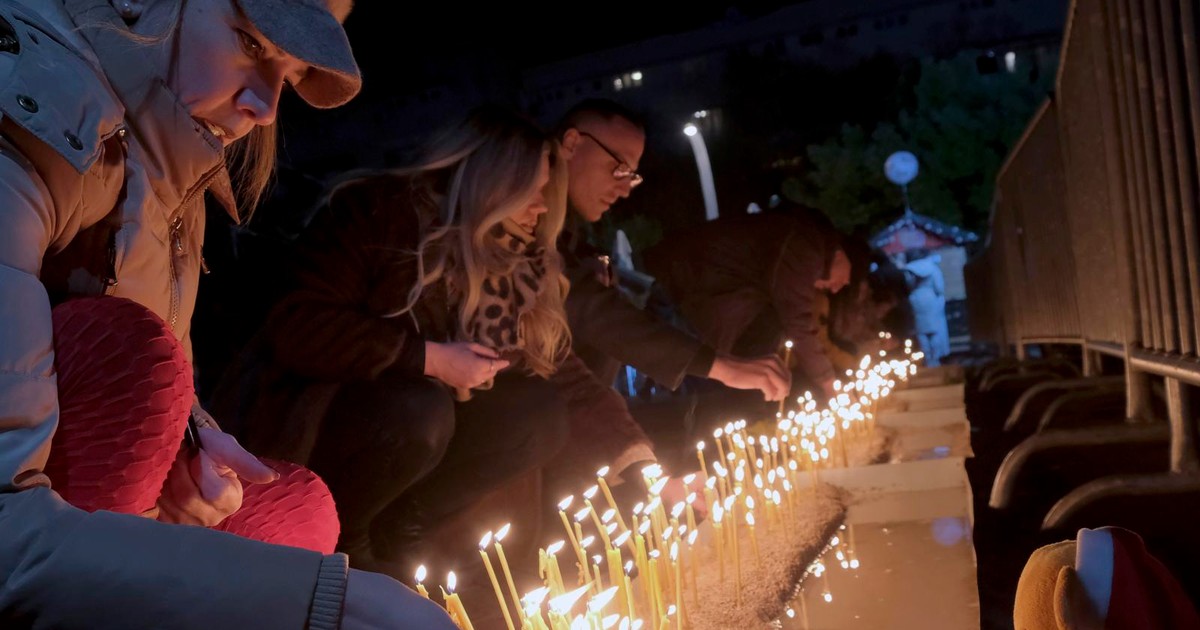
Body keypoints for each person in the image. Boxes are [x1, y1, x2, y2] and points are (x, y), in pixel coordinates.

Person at [0, 0, 452, 627]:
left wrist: (187, 441)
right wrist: (328, 605)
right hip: (24, 532)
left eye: (288, 75)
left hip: (70, 514)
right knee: (132, 363)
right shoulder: (22, 115)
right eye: (251, 44)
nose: (266, 108)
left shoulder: (172, 166)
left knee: (298, 513)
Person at [213, 107, 583, 576]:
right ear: (493, 182)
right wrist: (429, 358)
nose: (543, 207)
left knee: (537, 412)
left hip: (424, 434)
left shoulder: (514, 263)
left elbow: (565, 374)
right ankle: (345, 543)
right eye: (533, 190)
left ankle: (409, 524)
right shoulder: (382, 213)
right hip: (331, 413)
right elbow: (299, 324)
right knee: (420, 408)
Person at [554, 99, 790, 404]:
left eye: (632, 176)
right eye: (619, 167)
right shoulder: (530, 224)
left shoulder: (573, 238)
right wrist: (718, 366)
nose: (625, 189)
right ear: (572, 143)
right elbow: (592, 310)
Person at [643, 205, 850, 402]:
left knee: (711, 380)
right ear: (842, 255)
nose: (835, 289)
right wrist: (829, 383)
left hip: (693, 284)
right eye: (843, 282)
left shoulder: (800, 236)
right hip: (696, 289)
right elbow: (796, 319)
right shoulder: (805, 245)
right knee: (714, 383)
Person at [903, 249, 950, 366]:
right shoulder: (933, 268)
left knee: (921, 331)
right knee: (934, 330)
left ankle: (927, 358)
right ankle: (936, 357)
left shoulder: (909, 269)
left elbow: (907, 286)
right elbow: (939, 287)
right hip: (931, 299)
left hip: (915, 299)